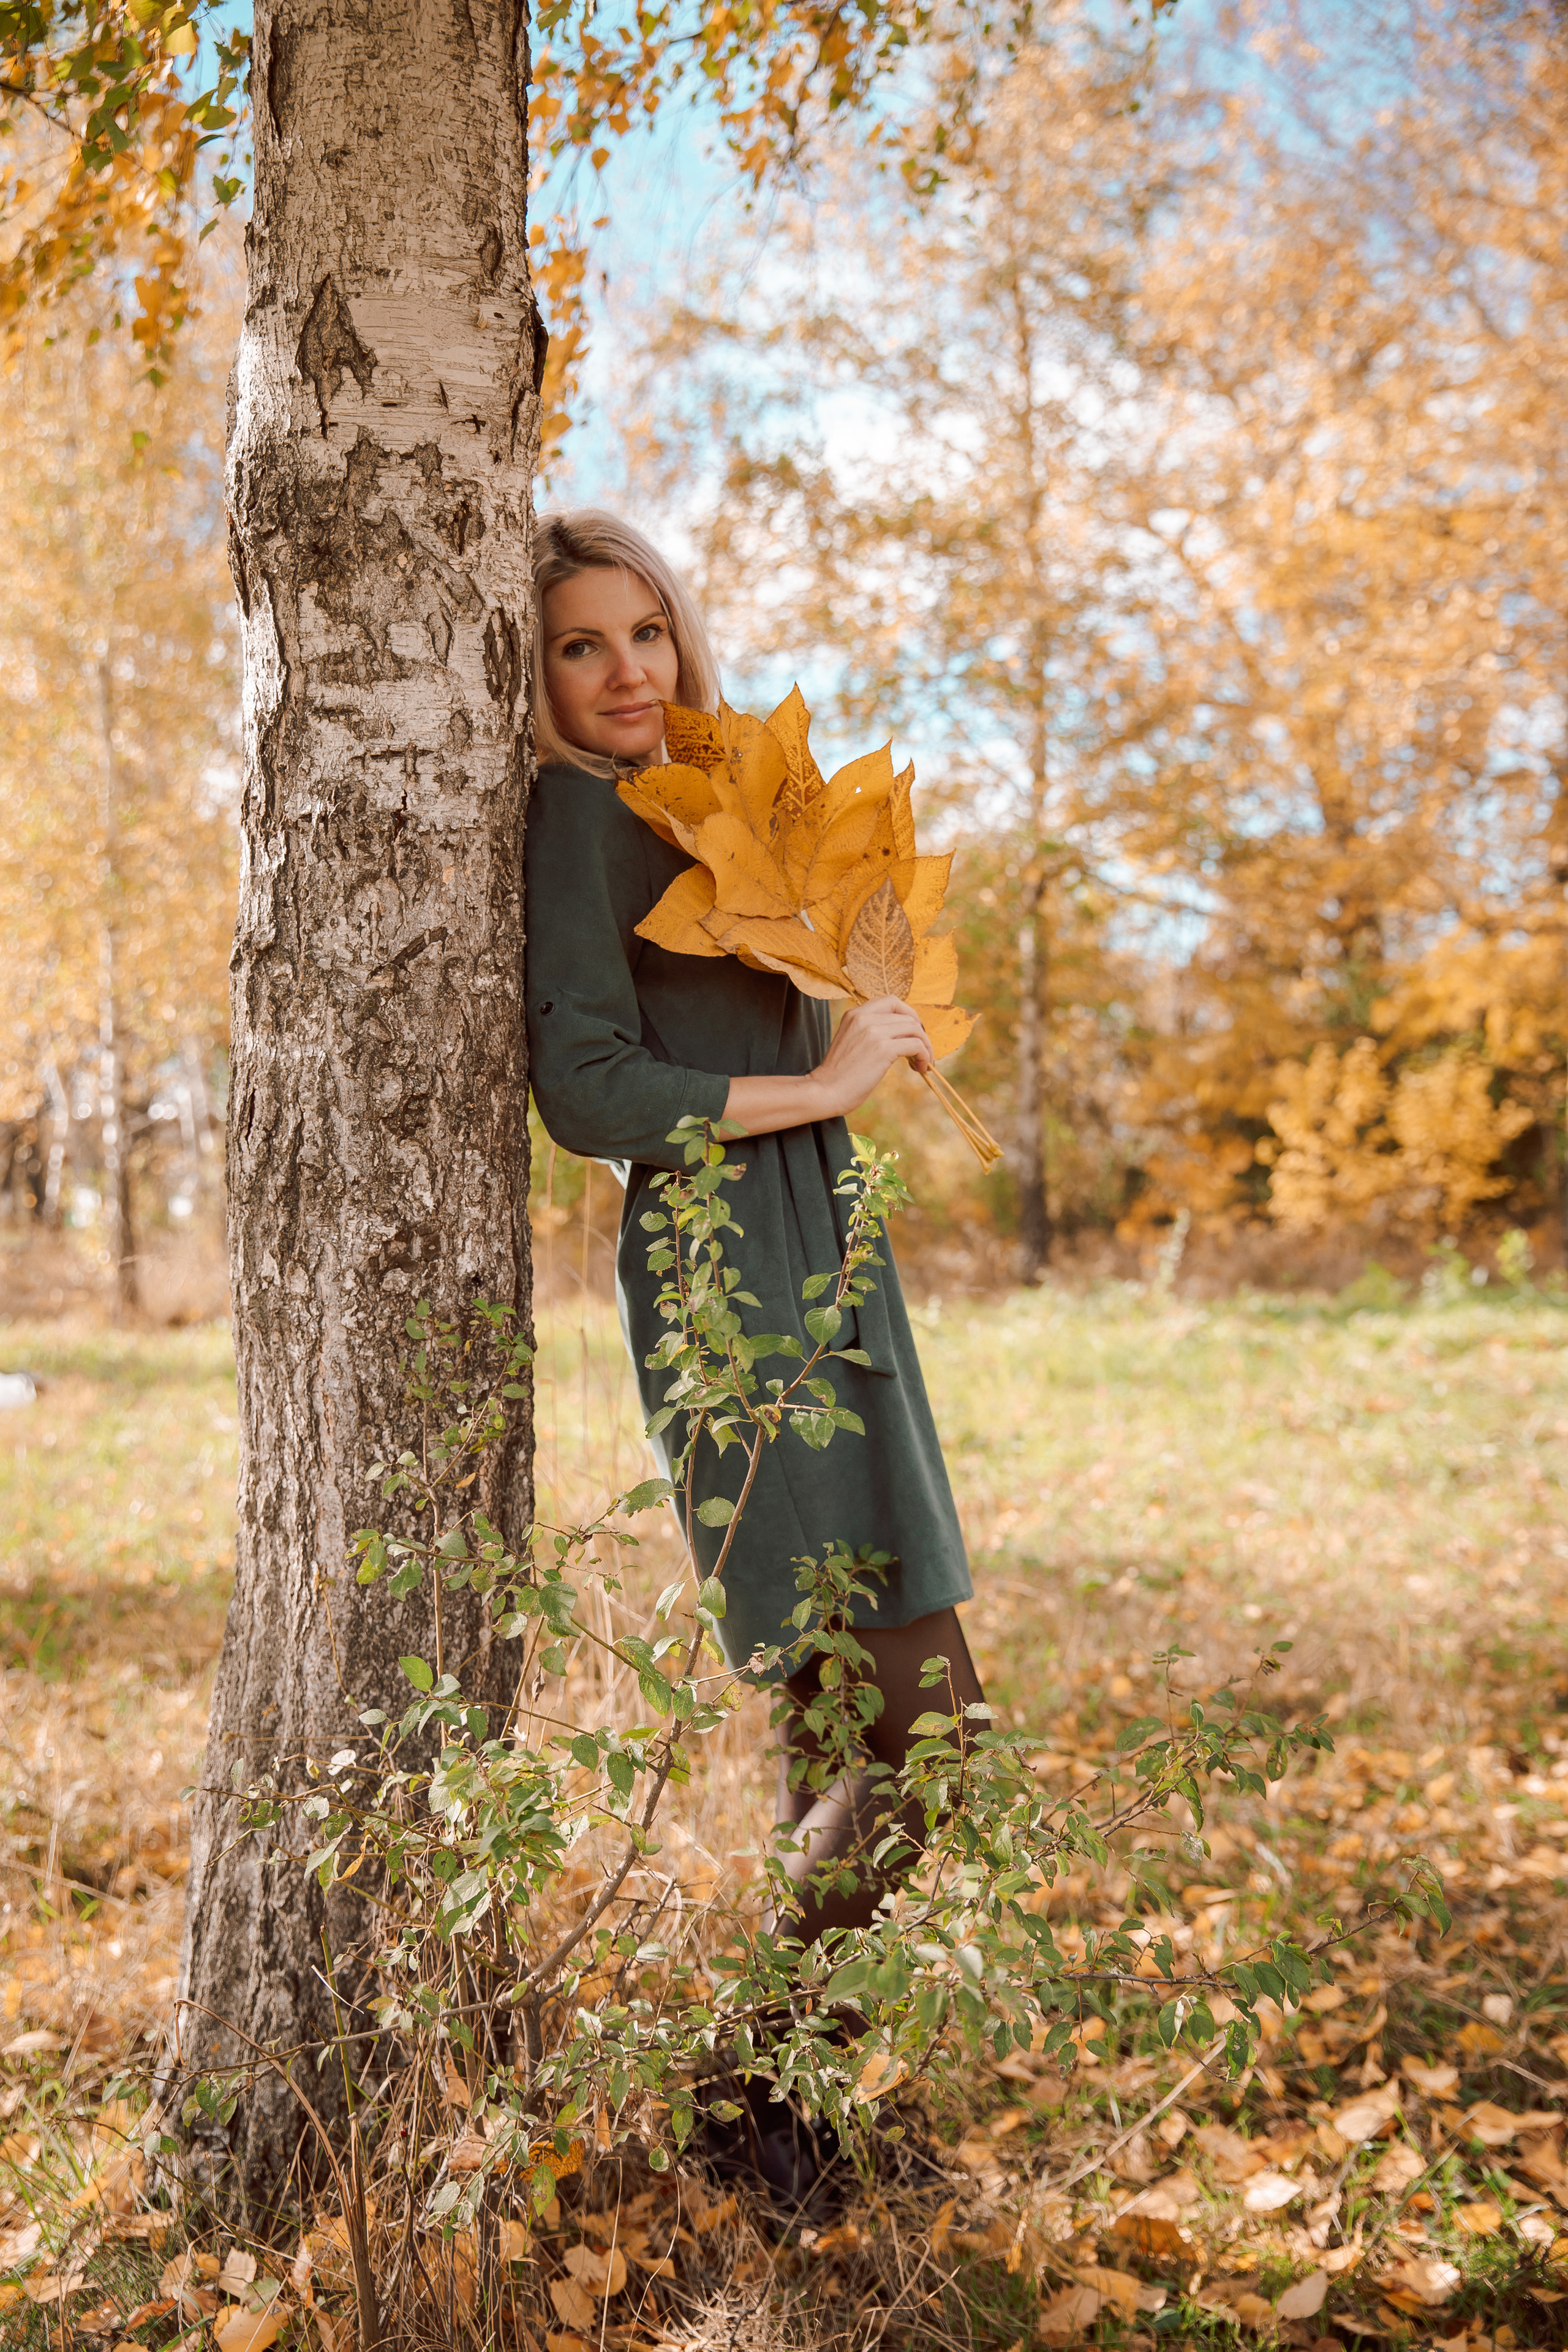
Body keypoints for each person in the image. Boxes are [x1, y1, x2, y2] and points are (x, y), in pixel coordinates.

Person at [524, 507, 987, 1959]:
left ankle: (789, 2129)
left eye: (644, 632)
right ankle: (747, 2086)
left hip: (829, 1248)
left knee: (840, 1722)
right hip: (726, 1273)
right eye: (578, 647)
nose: (623, 671)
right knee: (930, 1742)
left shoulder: (701, 808)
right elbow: (584, 1084)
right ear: (530, 679)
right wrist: (826, 1080)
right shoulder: (578, 820)